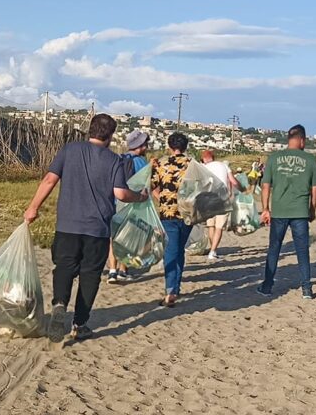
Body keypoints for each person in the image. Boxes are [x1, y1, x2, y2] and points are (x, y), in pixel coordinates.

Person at [24, 114, 146, 343]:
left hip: (67, 225)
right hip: (97, 229)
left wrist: (33, 208)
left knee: (64, 267)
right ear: (110, 135)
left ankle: (59, 303)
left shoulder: (70, 150)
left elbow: (49, 179)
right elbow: (120, 194)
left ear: (89, 130)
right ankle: (80, 324)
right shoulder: (113, 160)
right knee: (90, 275)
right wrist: (139, 197)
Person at [259, 125, 316, 298]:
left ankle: (267, 286)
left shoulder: (274, 158)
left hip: (279, 210)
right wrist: (312, 209)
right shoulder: (310, 159)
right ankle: (307, 288)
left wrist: (265, 208)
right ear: (302, 140)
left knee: (274, 249)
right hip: (300, 211)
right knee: (302, 250)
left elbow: (266, 185)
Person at [151, 132, 193, 307]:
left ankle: (170, 291)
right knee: (179, 250)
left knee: (170, 251)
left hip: (168, 213)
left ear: (169, 146)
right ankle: (176, 287)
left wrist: (161, 197)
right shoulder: (193, 165)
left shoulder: (161, 164)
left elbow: (151, 185)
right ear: (185, 147)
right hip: (188, 213)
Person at [107, 130, 152, 283]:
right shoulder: (141, 162)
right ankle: (123, 270)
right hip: (133, 204)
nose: (147, 146)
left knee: (114, 238)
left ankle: (112, 270)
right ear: (140, 145)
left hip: (115, 203)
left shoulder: (118, 158)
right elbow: (146, 185)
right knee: (128, 239)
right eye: (145, 143)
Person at [201, 150, 239, 260]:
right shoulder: (224, 165)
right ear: (213, 157)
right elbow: (233, 181)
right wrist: (241, 189)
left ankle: (213, 249)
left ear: (204, 158)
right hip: (222, 198)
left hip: (208, 199)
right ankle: (213, 251)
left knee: (211, 226)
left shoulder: (203, 167)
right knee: (219, 227)